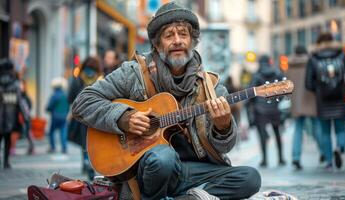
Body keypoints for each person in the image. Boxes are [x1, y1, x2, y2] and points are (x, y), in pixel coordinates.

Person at [72, 2, 261, 199]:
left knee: (250, 177)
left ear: (193, 41)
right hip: (150, 170)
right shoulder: (134, 74)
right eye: (169, 35)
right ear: (157, 43)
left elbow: (224, 148)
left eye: (183, 34)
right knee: (164, 157)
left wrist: (223, 128)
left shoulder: (212, 87)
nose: (177, 40)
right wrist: (123, 118)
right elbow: (83, 102)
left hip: (195, 171)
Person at [305, 32, 345, 170]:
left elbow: (308, 83)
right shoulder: (341, 55)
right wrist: (340, 84)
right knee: (340, 128)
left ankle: (328, 162)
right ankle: (339, 147)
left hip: (323, 101)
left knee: (325, 132)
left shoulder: (313, 58)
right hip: (339, 98)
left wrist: (320, 89)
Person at [286, 45, 323, 170]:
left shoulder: (290, 64)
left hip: (296, 101)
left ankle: (296, 158)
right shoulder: (311, 62)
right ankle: (324, 153)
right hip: (310, 99)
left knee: (298, 129)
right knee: (317, 127)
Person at [68, 56, 102, 180]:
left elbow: (70, 97)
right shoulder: (100, 79)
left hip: (81, 116)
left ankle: (86, 162)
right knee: (94, 141)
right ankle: (91, 163)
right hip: (97, 116)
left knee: (84, 141)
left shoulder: (77, 79)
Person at [249, 55, 286, 168]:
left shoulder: (257, 74)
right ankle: (281, 158)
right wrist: (277, 102)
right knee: (277, 133)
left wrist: (252, 105)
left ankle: (264, 160)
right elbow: (284, 90)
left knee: (262, 135)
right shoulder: (278, 73)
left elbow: (251, 92)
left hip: (260, 110)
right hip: (274, 107)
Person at [0, 58, 27, 169]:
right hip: (10, 118)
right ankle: (6, 162)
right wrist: (25, 116)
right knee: (7, 140)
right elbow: (20, 102)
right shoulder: (15, 84)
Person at [46, 77, 70, 154]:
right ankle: (64, 148)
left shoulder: (54, 95)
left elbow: (49, 106)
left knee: (51, 132)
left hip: (55, 117)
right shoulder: (66, 95)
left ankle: (53, 147)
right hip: (64, 117)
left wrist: (48, 110)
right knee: (63, 132)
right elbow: (68, 106)